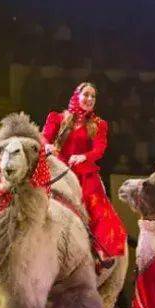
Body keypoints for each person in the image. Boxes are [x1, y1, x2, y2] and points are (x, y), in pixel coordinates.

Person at [42, 82, 127, 265]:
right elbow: (44, 139)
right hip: (60, 171)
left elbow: (100, 149)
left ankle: (101, 250)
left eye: (93, 96)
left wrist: (84, 156)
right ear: (77, 96)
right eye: (86, 95)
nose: (89, 99)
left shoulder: (98, 124)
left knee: (96, 204)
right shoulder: (57, 118)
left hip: (84, 173)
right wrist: (47, 145)